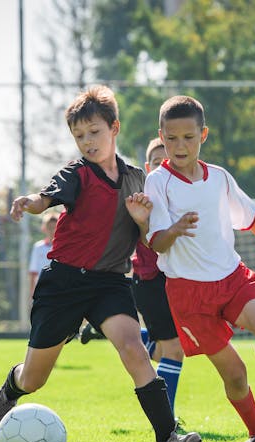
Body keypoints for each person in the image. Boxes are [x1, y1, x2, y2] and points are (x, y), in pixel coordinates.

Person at [0, 85, 203, 442]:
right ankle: (13, 384)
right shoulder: (77, 174)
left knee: (134, 348)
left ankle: (168, 439)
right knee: (35, 378)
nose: (87, 142)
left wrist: (141, 220)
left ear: (114, 128)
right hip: (64, 283)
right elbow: (48, 197)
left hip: (110, 283)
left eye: (94, 132)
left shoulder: (137, 179)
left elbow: (148, 239)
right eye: (79, 136)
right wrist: (31, 202)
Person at [144, 95, 255, 442]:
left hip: (232, 279)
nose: (180, 145)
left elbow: (250, 214)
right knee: (235, 375)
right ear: (161, 136)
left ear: (203, 134)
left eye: (188, 137)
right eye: (171, 138)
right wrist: (175, 228)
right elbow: (156, 242)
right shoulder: (158, 182)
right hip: (190, 296)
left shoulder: (218, 177)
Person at [81, 138, 186, 421]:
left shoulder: (184, 193)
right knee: (174, 351)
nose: (163, 166)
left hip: (177, 280)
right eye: (156, 162)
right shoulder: (138, 197)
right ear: (147, 167)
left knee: (167, 349)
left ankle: (102, 329)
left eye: (168, 161)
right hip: (150, 281)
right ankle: (169, 420)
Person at [28, 212, 59, 297]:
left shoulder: (63, 248)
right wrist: (32, 295)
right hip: (42, 291)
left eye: (55, 227)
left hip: (59, 290)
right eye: (50, 228)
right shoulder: (38, 247)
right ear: (44, 228)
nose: (52, 231)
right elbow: (33, 273)